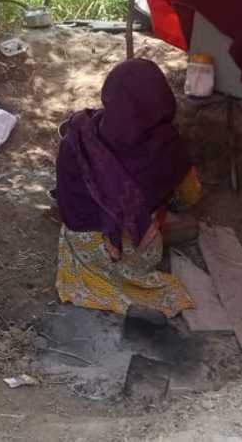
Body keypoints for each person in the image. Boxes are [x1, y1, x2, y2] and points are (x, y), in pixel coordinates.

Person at [53, 59, 201, 317]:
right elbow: (190, 196)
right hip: (136, 253)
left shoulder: (79, 133)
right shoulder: (167, 146)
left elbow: (66, 201)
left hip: (83, 249)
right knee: (170, 214)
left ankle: (95, 281)